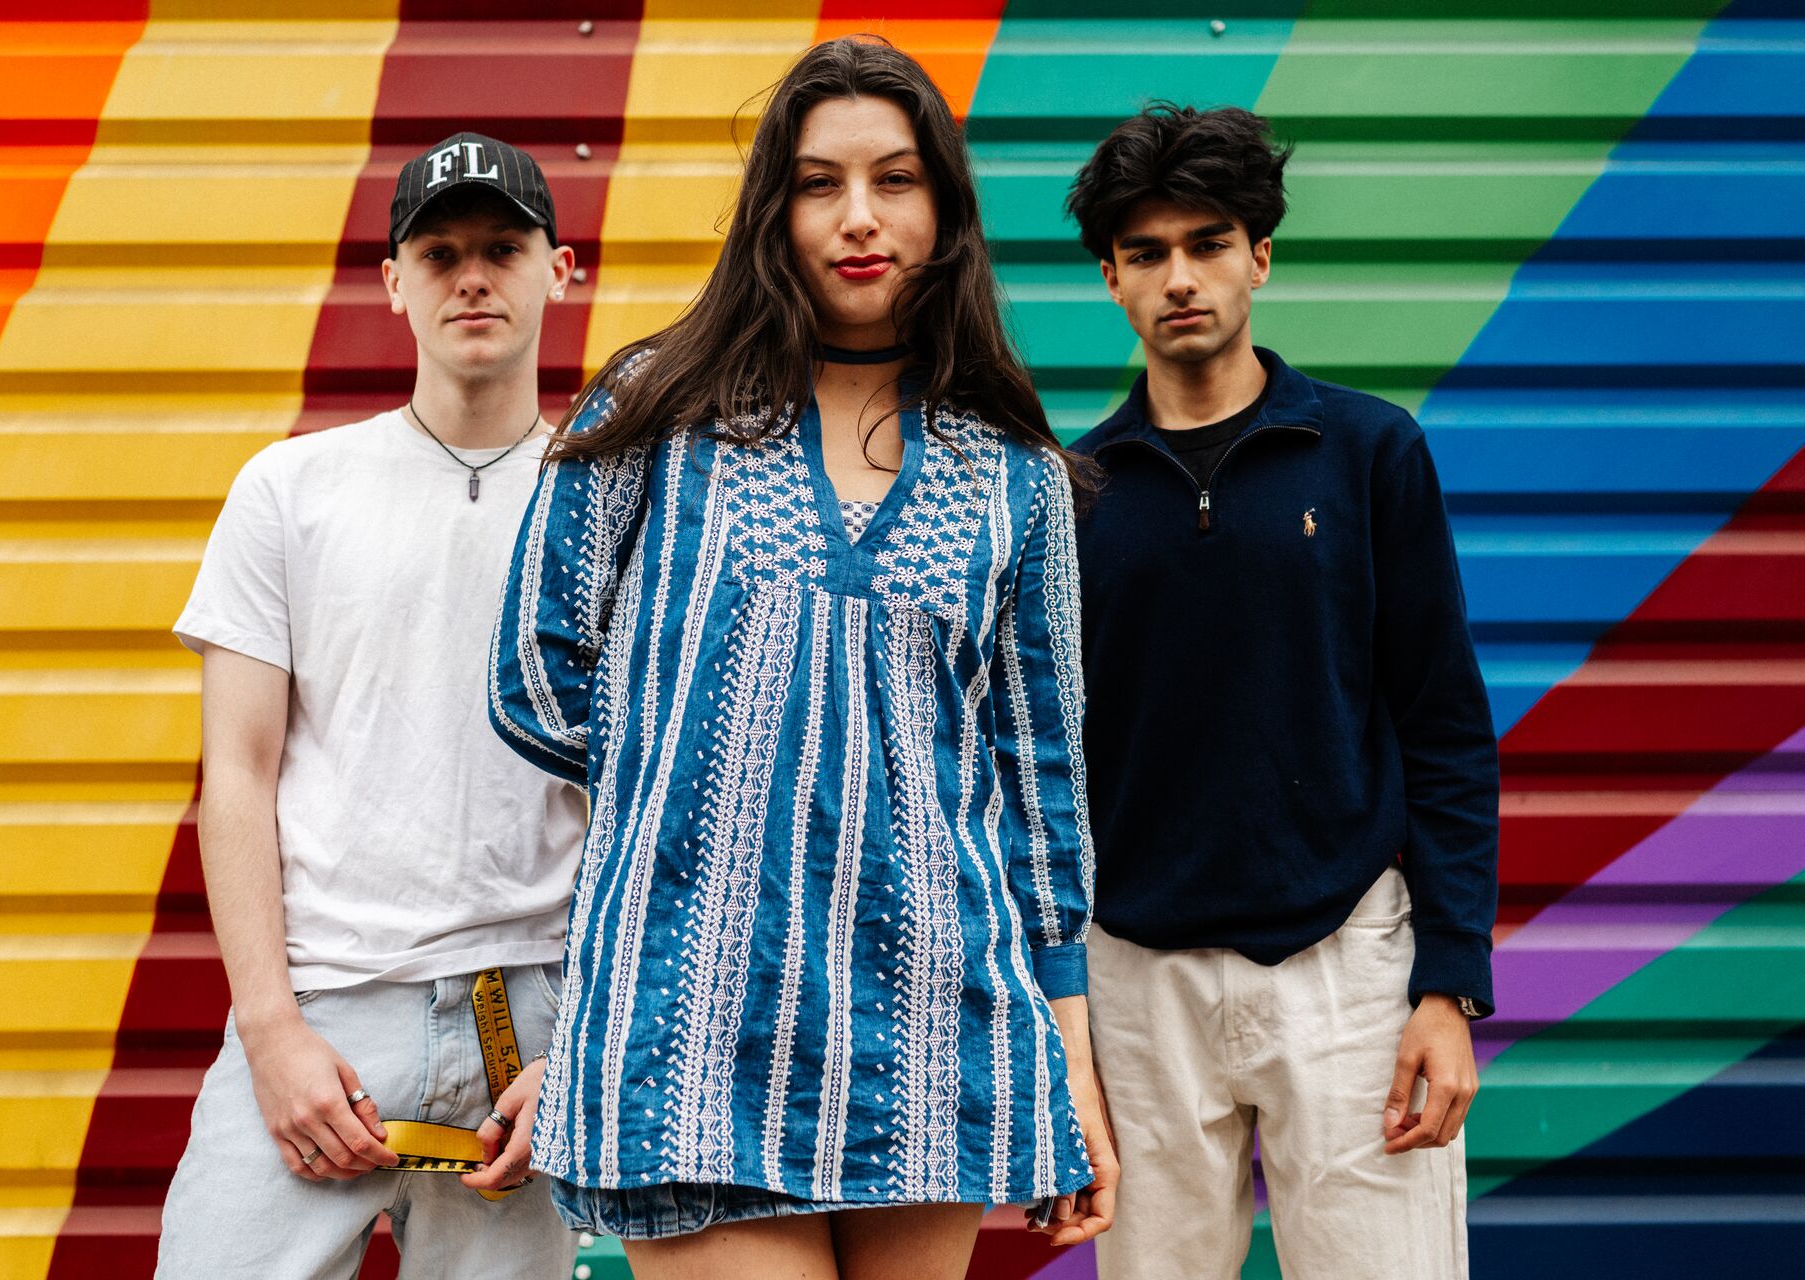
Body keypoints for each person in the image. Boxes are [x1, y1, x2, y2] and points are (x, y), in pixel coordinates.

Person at [482, 37, 1118, 1280]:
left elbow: (1041, 792)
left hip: (932, 1021)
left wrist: (1072, 1070)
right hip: (694, 1013)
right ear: (774, 207)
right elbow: (534, 671)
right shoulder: (652, 408)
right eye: (819, 182)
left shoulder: (1017, 477)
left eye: (895, 180)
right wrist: (707, 786)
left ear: (945, 207)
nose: (860, 218)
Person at [1066, 103, 1498, 1280]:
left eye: (1208, 243)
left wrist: (1448, 985)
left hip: (1349, 962)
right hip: (1137, 978)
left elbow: (1446, 724)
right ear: (1111, 277)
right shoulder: (1071, 497)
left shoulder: (1369, 452)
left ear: (1260, 253)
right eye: (1147, 253)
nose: (1181, 277)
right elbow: (1040, 770)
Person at [156, 133, 586, 1278]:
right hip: (325, 1008)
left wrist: (587, 1046)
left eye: (504, 247)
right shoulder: (291, 491)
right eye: (439, 253)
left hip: (530, 1025)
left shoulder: (614, 503)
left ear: (563, 267)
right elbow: (235, 775)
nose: (473, 277)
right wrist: (270, 1031)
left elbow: (648, 793)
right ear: (395, 283)